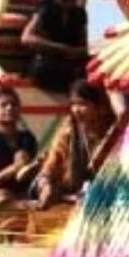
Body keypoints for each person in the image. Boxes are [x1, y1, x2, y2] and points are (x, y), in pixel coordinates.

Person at [31, 80, 116, 208]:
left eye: (82, 104)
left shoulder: (112, 132)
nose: (76, 110)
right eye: (73, 104)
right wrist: (45, 185)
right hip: (71, 196)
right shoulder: (67, 131)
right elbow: (51, 166)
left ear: (100, 106)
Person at [22, 0, 89, 93]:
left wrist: (78, 51)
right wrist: (60, 48)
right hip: (47, 62)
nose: (68, 2)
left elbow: (83, 44)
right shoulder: (45, 10)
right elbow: (26, 38)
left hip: (71, 64)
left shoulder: (79, 14)